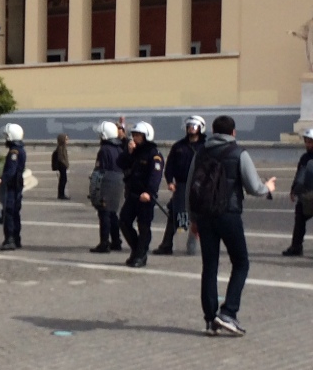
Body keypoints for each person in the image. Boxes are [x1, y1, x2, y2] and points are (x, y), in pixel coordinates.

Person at [187, 115, 275, 336]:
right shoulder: (239, 153)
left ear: (214, 131)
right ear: (233, 132)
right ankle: (228, 313)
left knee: (210, 266)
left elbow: (191, 188)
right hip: (229, 214)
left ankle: (210, 319)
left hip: (205, 216)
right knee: (241, 262)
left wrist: (193, 219)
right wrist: (268, 187)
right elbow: (254, 187)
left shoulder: (200, 153)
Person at [153, 115, 207, 256]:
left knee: (200, 216)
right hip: (182, 185)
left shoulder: (206, 147)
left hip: (201, 186)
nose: (191, 129)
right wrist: (170, 181)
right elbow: (169, 166)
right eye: (189, 126)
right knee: (176, 214)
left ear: (201, 127)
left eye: (194, 126)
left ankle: (195, 244)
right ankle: (167, 245)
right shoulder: (179, 146)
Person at [118, 121, 164, 268]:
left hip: (145, 196)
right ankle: (138, 249)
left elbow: (155, 175)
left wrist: (149, 192)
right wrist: (129, 152)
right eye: (134, 135)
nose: (135, 138)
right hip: (132, 194)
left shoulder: (154, 154)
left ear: (146, 136)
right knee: (124, 221)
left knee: (144, 226)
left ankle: (140, 255)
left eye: (138, 135)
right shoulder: (134, 152)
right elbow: (121, 164)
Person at [89, 121, 125, 253]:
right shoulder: (119, 148)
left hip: (107, 182)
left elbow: (100, 170)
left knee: (104, 213)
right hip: (118, 181)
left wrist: (95, 190)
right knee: (113, 213)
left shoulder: (104, 150)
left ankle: (104, 243)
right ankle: (116, 241)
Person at [0, 123, 27, 251]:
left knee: (9, 213)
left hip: (12, 187)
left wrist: (1, 180)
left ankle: (10, 239)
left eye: (7, 136)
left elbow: (11, 171)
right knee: (15, 213)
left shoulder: (14, 152)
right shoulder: (21, 150)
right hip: (17, 185)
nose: (5, 139)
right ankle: (16, 238)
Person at [281, 127, 313, 257]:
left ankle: (296, 247)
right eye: (306, 141)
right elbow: (300, 174)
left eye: (310, 142)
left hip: (309, 193)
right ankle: (296, 246)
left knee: (300, 218)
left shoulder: (307, 158)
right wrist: (293, 189)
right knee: (299, 219)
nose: (308, 144)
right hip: (306, 194)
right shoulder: (305, 157)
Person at [53, 133, 70, 200]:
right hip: (62, 166)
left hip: (63, 166)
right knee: (63, 180)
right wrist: (65, 164)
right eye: (66, 139)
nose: (67, 140)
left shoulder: (63, 147)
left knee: (63, 180)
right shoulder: (61, 148)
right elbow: (61, 158)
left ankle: (61, 194)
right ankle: (61, 194)